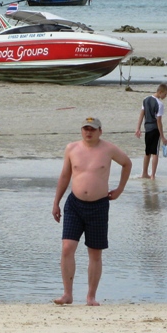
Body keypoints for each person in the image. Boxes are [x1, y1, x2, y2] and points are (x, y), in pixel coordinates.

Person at [52, 117, 132, 306]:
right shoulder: (71, 148)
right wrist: (56, 202)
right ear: (81, 130)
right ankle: (67, 294)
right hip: (74, 204)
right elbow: (65, 176)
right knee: (67, 248)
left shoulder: (109, 149)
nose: (89, 132)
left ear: (100, 131)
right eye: (86, 129)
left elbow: (127, 163)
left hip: (99, 206)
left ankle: (91, 296)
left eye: (93, 129)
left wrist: (120, 189)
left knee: (95, 253)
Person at [134, 83, 167, 179]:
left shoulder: (145, 99)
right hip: (155, 129)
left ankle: (144, 173)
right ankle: (153, 175)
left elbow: (142, 114)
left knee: (147, 152)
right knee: (155, 153)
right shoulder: (159, 104)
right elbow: (159, 121)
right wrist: (162, 137)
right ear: (160, 92)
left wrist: (138, 128)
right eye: (165, 94)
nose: (165, 96)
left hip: (147, 129)